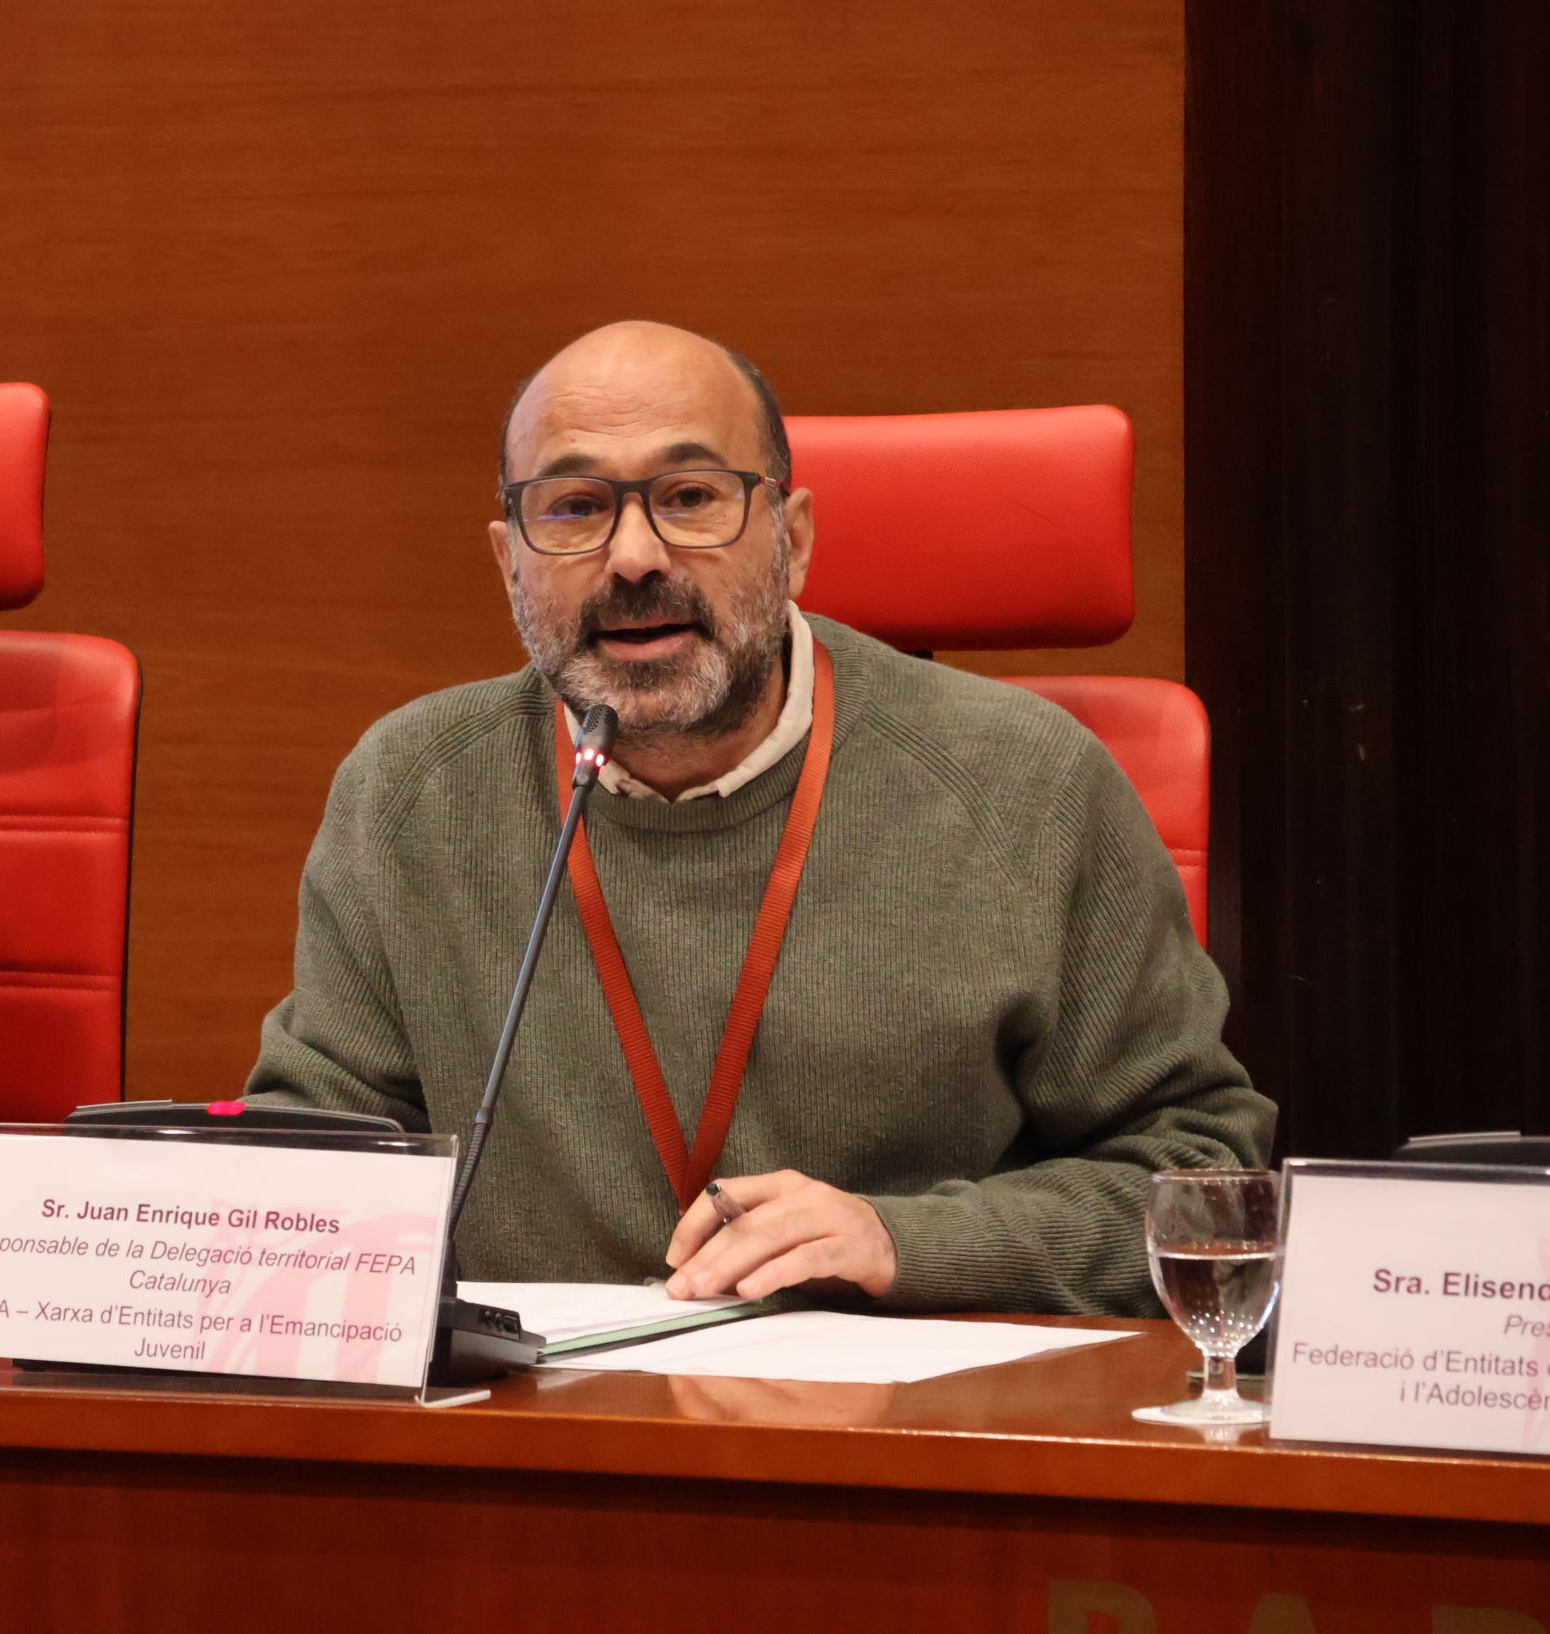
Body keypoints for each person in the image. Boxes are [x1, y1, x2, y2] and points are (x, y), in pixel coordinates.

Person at [246, 320, 1274, 1315]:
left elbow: (1205, 1181)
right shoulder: (410, 793)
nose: (634, 556)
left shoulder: (1026, 785)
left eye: (690, 497)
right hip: (526, 1451)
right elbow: (306, 1170)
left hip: (895, 1454)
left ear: (792, 535)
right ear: (508, 559)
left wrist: (909, 1244)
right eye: (571, 509)